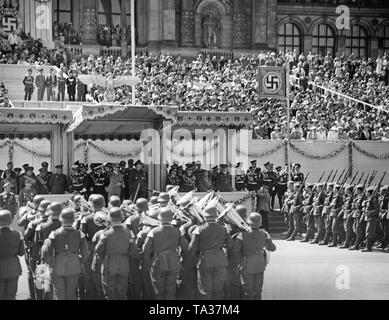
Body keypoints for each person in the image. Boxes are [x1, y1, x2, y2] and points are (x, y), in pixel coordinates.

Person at [41, 208, 90, 300]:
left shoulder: (53, 234)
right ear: (73, 220)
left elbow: (47, 251)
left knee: (59, 294)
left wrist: (50, 264)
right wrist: (78, 261)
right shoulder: (80, 234)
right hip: (74, 266)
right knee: (71, 293)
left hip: (58, 266)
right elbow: (86, 253)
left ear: (60, 218)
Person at [189, 203, 233, 300]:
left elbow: (192, 247)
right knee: (218, 288)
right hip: (220, 261)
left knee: (205, 289)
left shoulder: (198, 229)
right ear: (216, 216)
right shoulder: (224, 229)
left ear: (205, 216)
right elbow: (230, 245)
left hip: (205, 260)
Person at [143, 207, 188, 300]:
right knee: (171, 289)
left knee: (159, 290)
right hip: (174, 261)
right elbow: (185, 246)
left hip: (158, 262)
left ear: (159, 218)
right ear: (171, 218)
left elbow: (145, 249)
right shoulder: (178, 231)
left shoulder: (153, 232)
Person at [232, 212, 276, 300]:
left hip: (246, 265)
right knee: (258, 290)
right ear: (260, 223)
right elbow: (272, 248)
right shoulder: (264, 234)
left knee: (248, 291)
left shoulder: (242, 235)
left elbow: (235, 252)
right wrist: (267, 239)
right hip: (260, 265)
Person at [93, 207, 134, 300]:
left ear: (110, 218)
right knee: (122, 292)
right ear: (121, 217)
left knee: (109, 293)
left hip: (109, 264)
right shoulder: (129, 233)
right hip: (124, 264)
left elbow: (98, 249)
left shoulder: (106, 234)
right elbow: (134, 250)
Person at [0, 210, 25, 300]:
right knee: (11, 294)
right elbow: (21, 252)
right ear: (11, 221)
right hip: (13, 268)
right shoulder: (18, 234)